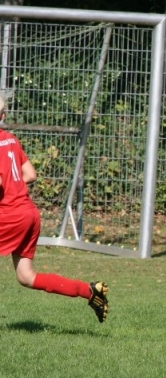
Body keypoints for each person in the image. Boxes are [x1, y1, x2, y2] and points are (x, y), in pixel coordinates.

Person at [0, 96, 109, 322]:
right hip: (29, 213)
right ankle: (90, 291)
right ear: (2, 116)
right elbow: (29, 175)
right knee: (26, 277)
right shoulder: (10, 139)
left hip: (10, 214)